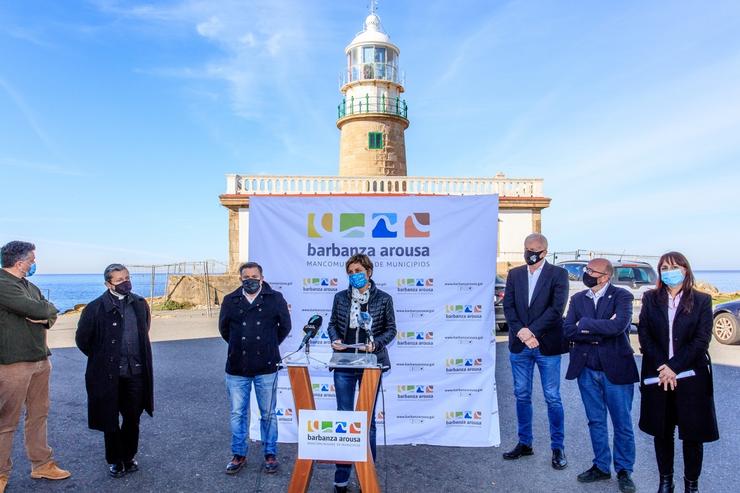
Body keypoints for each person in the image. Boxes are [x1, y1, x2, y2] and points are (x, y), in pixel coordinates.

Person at [638, 252, 718, 493]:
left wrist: (675, 366)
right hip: (658, 375)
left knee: (692, 434)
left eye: (674, 266)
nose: (668, 271)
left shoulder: (702, 300)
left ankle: (691, 485)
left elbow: (701, 340)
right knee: (661, 431)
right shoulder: (650, 298)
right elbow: (645, 335)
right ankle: (665, 481)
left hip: (691, 376)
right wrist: (664, 367)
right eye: (664, 267)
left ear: (685, 269)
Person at [0, 241, 71, 493]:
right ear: (20, 262)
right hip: (13, 363)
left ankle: (41, 464)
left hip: (40, 359)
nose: (33, 263)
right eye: (31, 259)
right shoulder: (3, 284)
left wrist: (46, 312)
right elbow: (32, 308)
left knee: (39, 414)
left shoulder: (29, 286)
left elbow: (49, 313)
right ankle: (0, 473)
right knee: (6, 421)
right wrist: (44, 311)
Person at [563, 258, 638, 493]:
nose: (586, 273)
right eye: (586, 270)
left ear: (605, 276)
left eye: (591, 271)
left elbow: (619, 327)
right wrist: (596, 329)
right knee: (595, 421)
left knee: (622, 422)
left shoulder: (622, 296)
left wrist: (584, 325)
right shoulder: (577, 298)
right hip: (587, 370)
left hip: (616, 369)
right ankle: (601, 466)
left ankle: (624, 470)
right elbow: (568, 330)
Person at [75, 264, 154, 478]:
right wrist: (104, 360)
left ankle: (128, 456)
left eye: (127, 277)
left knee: (132, 418)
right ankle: (115, 460)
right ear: (108, 284)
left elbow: (144, 329)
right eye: (119, 280)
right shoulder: (94, 308)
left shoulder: (139, 303)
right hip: (108, 375)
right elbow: (83, 341)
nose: (125, 282)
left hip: (136, 372)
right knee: (109, 419)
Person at [328, 254, 396, 493]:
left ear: (368, 271)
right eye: (350, 272)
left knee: (367, 422)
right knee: (345, 420)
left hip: (370, 365)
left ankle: (367, 474)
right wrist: (335, 338)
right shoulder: (340, 298)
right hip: (344, 364)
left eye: (357, 270)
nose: (353, 275)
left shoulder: (384, 299)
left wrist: (375, 344)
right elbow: (332, 324)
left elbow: (391, 330)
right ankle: (342, 476)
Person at [502, 233, 569, 470]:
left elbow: (556, 309)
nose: (530, 252)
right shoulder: (515, 274)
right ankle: (525, 443)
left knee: (552, 397)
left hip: (547, 346)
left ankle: (557, 447)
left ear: (544, 252)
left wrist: (532, 333)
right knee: (521, 394)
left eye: (535, 249)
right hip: (520, 346)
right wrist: (521, 332)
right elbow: (508, 305)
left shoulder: (558, 275)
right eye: (527, 248)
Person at [218, 261, 291, 475]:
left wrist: (267, 344)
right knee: (238, 413)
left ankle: (270, 454)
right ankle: (238, 454)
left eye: (254, 276)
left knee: (268, 413)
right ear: (240, 278)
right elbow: (224, 330)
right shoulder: (230, 300)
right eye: (246, 276)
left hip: (266, 365)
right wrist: (239, 346)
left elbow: (285, 326)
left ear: (262, 277)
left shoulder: (275, 298)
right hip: (237, 366)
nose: (250, 280)